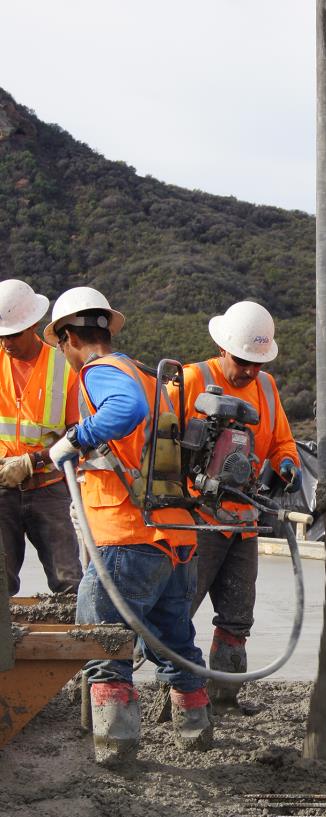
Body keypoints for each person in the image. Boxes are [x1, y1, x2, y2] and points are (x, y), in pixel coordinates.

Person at [45, 286, 211, 766]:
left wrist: (75, 438)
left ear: (69, 338)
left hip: (127, 537)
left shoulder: (102, 372)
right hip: (174, 536)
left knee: (105, 644)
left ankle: (115, 750)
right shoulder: (145, 374)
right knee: (175, 645)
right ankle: (196, 735)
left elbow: (123, 413)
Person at [171, 300, 301, 712]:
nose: (248, 370)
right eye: (243, 360)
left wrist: (286, 464)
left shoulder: (266, 387)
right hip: (195, 521)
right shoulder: (191, 380)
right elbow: (155, 441)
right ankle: (177, 697)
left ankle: (225, 700)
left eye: (256, 363)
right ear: (224, 348)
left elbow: (282, 441)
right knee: (177, 613)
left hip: (244, 521)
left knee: (237, 616)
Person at [0, 278, 83, 596]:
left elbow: (77, 435)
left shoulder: (63, 366)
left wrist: (33, 461)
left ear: (33, 325)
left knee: (68, 580)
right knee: (1, 581)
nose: (7, 343)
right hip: (3, 488)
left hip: (48, 488)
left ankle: (76, 643)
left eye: (14, 335)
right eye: (2, 336)